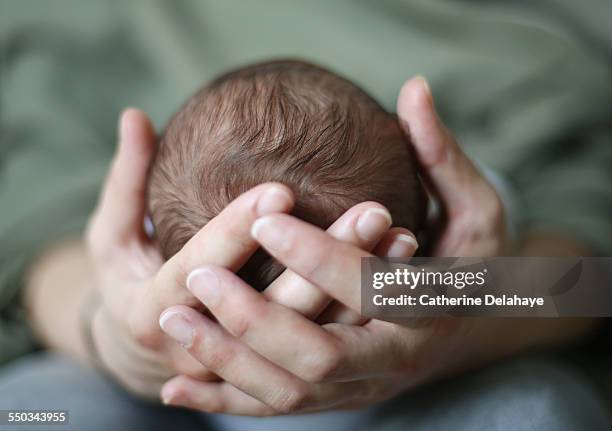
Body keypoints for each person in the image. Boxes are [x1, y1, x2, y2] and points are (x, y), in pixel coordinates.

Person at [1, 1, 611, 430]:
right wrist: (113, 336)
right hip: (130, 371)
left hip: (454, 369)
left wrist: (476, 306)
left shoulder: (532, 78)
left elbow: (593, 283)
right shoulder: (55, 32)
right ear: (428, 216)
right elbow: (28, 229)